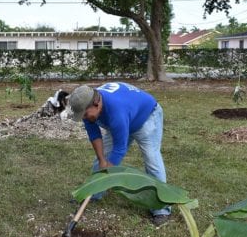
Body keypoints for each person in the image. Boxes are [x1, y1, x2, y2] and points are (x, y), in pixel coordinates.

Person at [69, 82, 171, 226]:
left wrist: (108, 170)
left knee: (152, 160)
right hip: (124, 117)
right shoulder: (88, 106)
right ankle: (93, 193)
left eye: (85, 114)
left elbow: (119, 149)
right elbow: (94, 134)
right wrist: (102, 160)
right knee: (102, 160)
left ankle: (161, 209)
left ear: (97, 104)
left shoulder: (116, 110)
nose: (84, 118)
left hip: (146, 117)